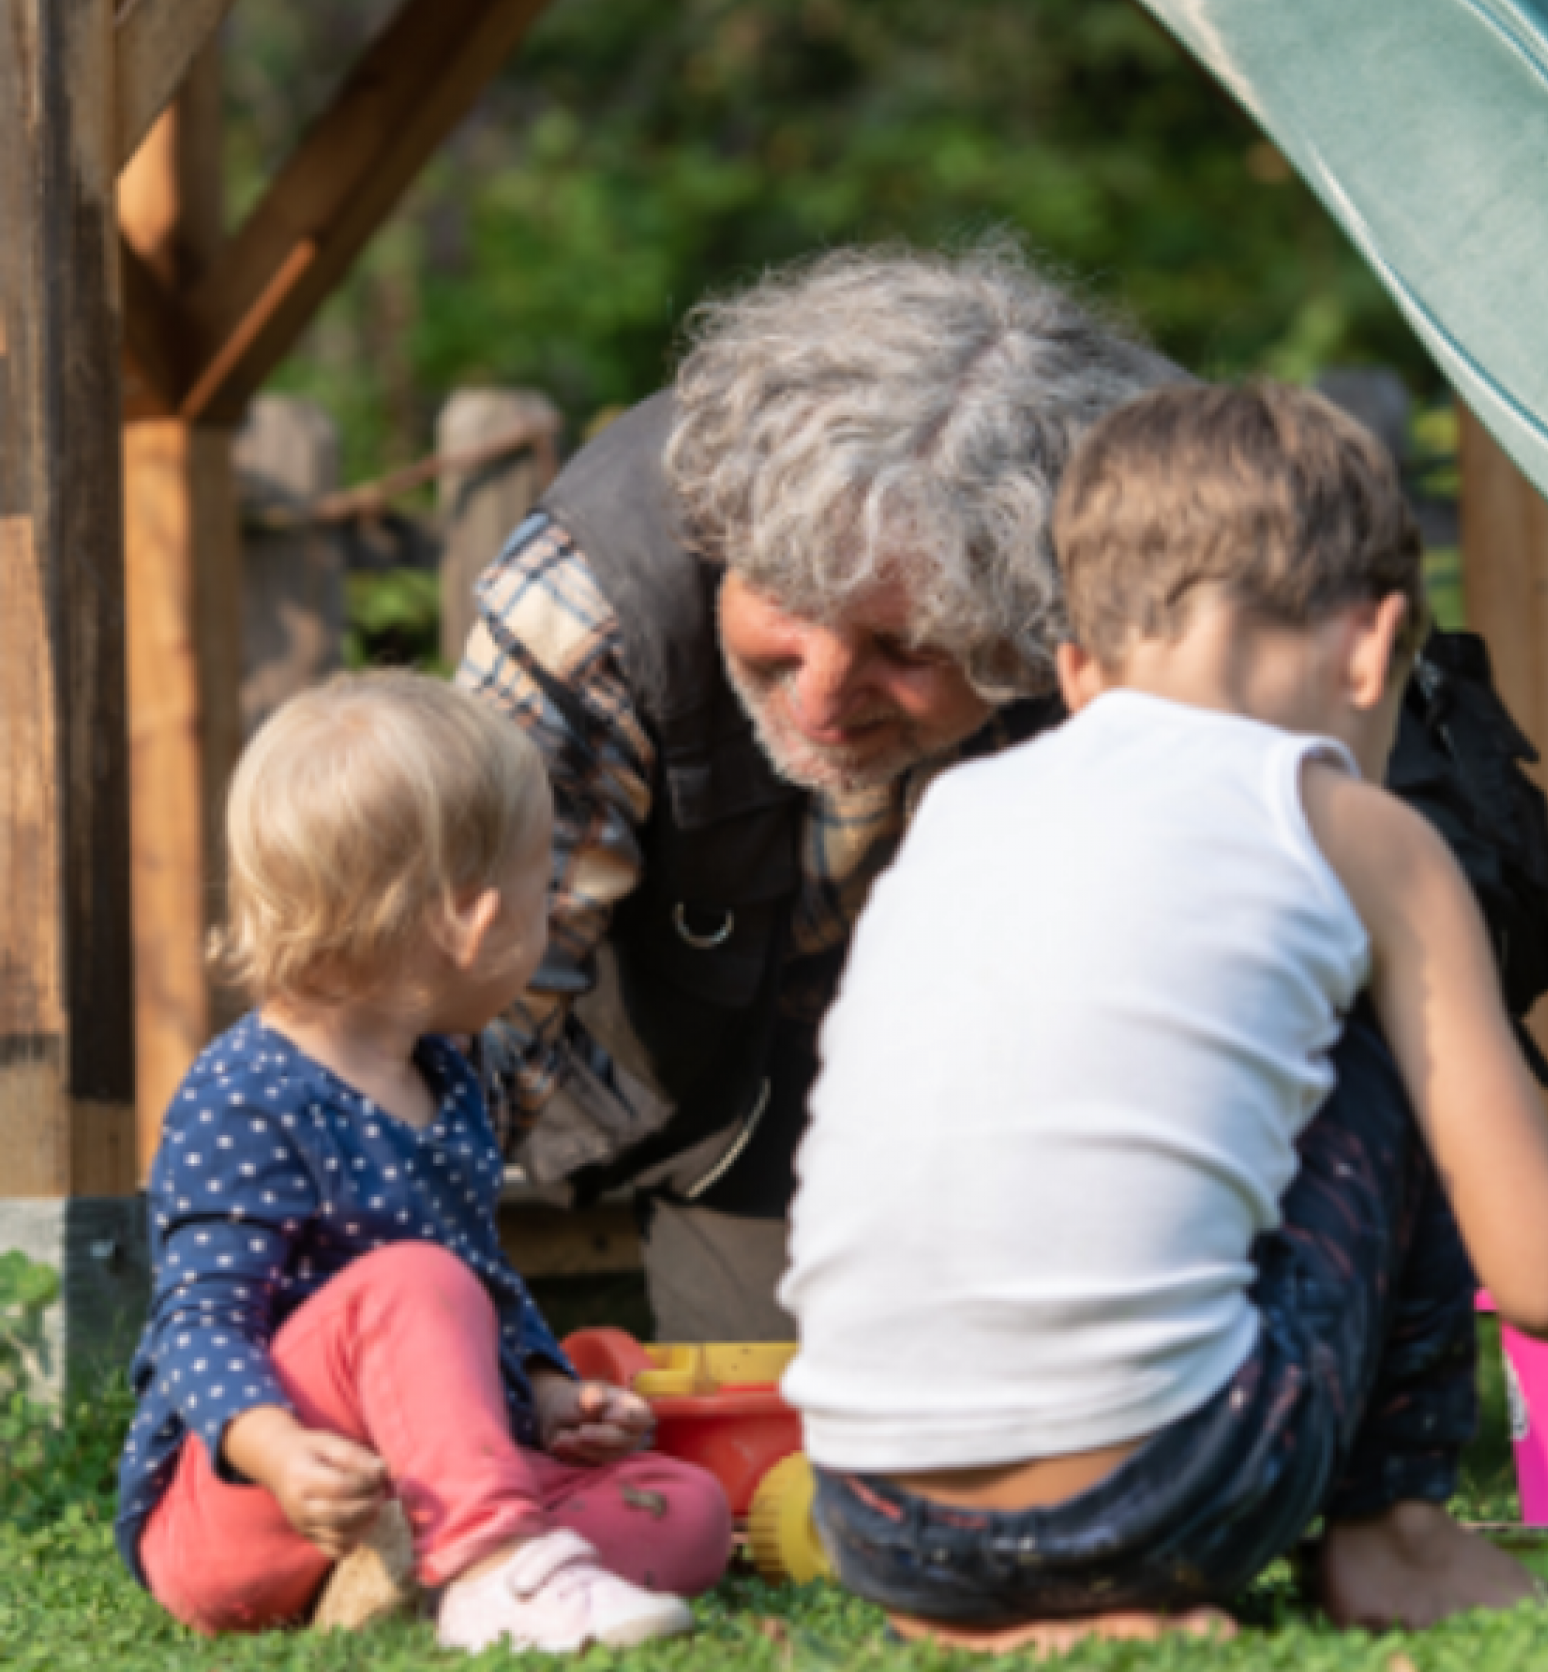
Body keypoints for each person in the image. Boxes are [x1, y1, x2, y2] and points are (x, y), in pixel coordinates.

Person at [781, 381, 1548, 1647]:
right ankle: (1394, 1544)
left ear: (1076, 675)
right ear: (1372, 646)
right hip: (1168, 1493)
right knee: (1385, 1039)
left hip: (866, 1508)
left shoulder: (959, 818)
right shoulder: (1353, 829)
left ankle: (992, 1619)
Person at [457, 240, 1180, 1339]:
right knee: (808, 1417)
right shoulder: (588, 597)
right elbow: (468, 1003)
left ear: (1045, 629)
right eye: (787, 607)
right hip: (725, 1091)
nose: (828, 700)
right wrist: (423, 1313)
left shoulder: (1165, 578)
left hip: (1064, 1077)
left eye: (912, 647)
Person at [115, 673, 732, 1653]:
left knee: (688, 1508)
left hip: (413, 1490)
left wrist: (543, 1390)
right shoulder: (245, 1094)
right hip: (247, 1507)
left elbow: (482, 1283)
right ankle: (490, 1570)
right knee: (411, 1279)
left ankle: (421, 1572)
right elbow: (197, 1324)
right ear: (477, 924)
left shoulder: (451, 1074)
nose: (553, 915)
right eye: (546, 891)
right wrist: (275, 1450)